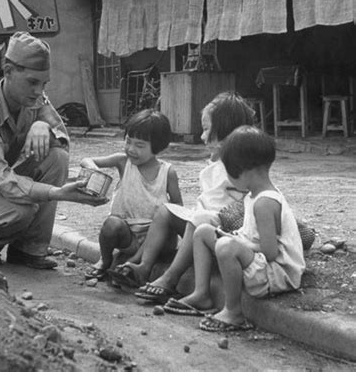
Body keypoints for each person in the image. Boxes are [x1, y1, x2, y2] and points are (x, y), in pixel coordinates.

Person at [0, 31, 104, 269]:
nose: (39, 91)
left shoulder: (34, 100)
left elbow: (63, 141)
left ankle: (28, 249)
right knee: (22, 209)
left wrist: (42, 125)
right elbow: (0, 177)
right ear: (7, 72)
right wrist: (58, 192)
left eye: (43, 84)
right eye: (32, 82)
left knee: (56, 157)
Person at [167, 126, 305, 332]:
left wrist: (235, 241)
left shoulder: (265, 203)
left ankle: (234, 311)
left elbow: (270, 252)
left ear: (241, 170)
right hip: (261, 263)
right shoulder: (253, 195)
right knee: (203, 231)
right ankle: (202, 293)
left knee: (225, 246)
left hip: (276, 273)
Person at [131, 92, 255, 302]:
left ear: (226, 135)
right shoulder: (215, 165)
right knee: (165, 211)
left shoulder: (241, 167)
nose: (202, 137)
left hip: (227, 233)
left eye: (207, 130)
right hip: (202, 224)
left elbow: (235, 210)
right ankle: (144, 266)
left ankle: (170, 278)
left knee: (199, 219)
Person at [80, 109, 182, 285]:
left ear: (157, 147)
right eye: (128, 142)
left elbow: (178, 208)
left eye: (140, 145)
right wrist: (94, 172)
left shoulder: (167, 173)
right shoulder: (123, 162)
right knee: (111, 224)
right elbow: (87, 160)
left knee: (166, 226)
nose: (131, 149)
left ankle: (132, 263)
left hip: (157, 239)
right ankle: (105, 260)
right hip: (128, 235)